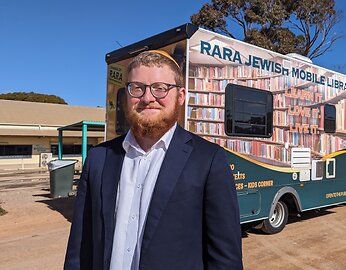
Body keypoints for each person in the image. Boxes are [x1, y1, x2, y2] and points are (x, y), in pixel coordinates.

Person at [64, 50, 243, 270]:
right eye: (137, 88)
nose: (147, 98)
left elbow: (225, 259)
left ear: (181, 95)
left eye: (160, 88)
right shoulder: (98, 159)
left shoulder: (208, 160)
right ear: (126, 95)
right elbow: (80, 247)